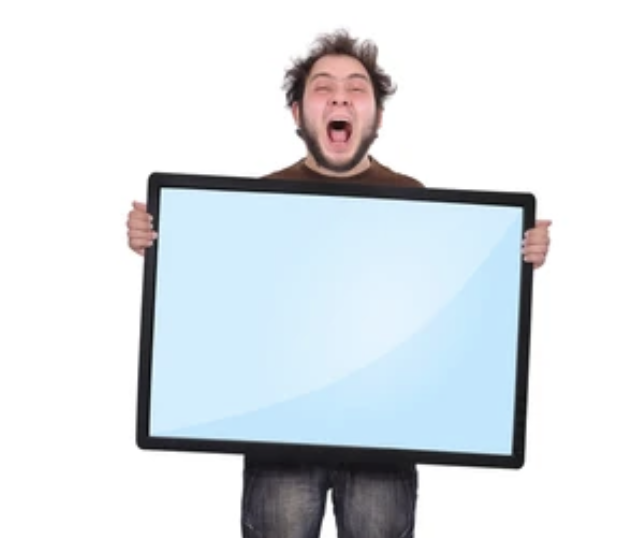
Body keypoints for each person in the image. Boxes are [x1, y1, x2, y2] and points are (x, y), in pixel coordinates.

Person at [126, 29, 551, 538]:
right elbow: (223, 308)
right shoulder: (258, 201)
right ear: (297, 112)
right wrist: (160, 239)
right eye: (323, 87)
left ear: (378, 116)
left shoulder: (415, 199)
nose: (340, 97)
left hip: (385, 432)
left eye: (356, 88)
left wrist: (513, 254)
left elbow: (446, 310)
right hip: (279, 431)